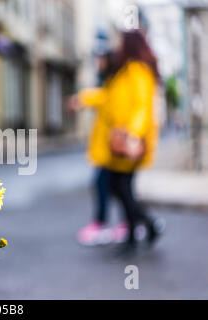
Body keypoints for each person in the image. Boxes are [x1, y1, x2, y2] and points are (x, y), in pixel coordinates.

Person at [71, 30, 163, 254]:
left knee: (121, 188)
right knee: (122, 188)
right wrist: (83, 99)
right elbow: (107, 96)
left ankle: (137, 233)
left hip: (128, 142)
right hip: (120, 141)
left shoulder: (136, 70)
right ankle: (143, 229)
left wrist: (132, 134)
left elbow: (142, 106)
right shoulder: (126, 71)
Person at [75, 50, 129, 246]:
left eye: (101, 60)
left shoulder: (115, 84)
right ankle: (127, 223)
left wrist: (81, 99)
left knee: (111, 187)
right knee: (116, 188)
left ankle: (108, 224)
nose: (98, 63)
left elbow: (103, 98)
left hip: (112, 150)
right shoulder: (110, 82)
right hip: (108, 149)